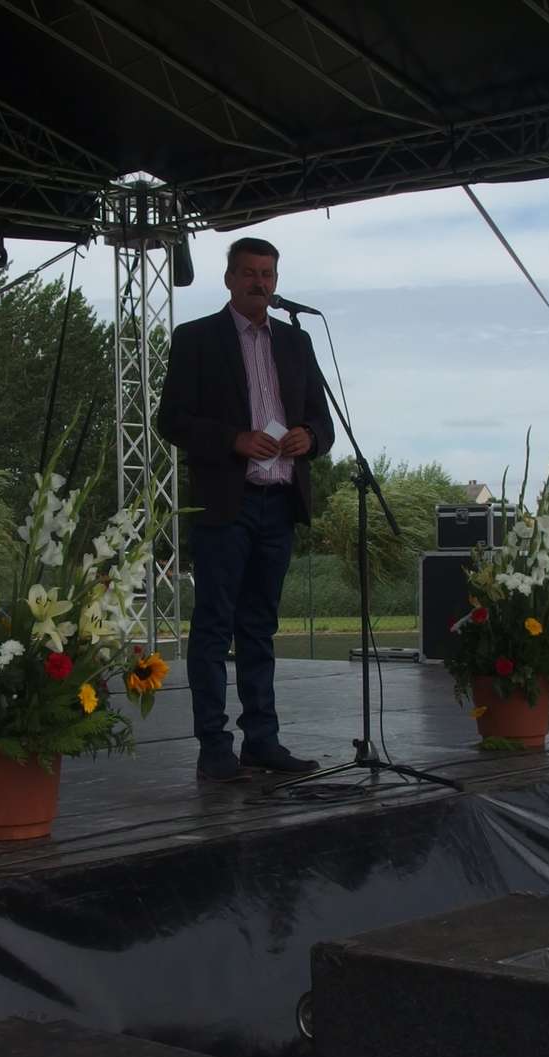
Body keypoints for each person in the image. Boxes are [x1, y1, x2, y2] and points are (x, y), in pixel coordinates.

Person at [159, 236, 335, 783]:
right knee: (214, 626)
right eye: (250, 273)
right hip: (225, 504)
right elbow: (172, 420)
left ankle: (262, 740)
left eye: (268, 274)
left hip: (279, 502)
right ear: (230, 278)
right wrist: (233, 439)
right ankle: (215, 747)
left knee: (259, 627)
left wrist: (310, 437)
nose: (260, 282)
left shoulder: (296, 341)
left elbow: (323, 422)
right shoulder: (196, 339)